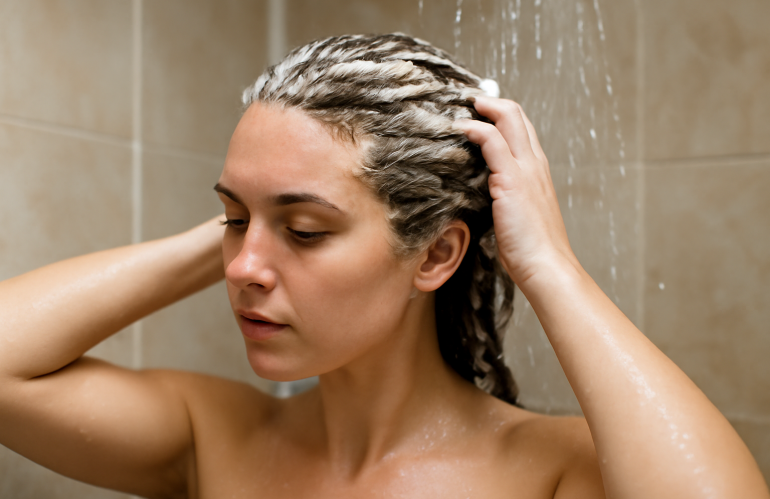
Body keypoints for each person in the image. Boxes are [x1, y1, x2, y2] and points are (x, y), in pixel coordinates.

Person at [0, 33, 766, 499]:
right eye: (231, 219)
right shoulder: (216, 437)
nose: (244, 266)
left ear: (435, 253)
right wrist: (258, 220)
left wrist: (549, 265)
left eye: (306, 230)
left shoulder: (551, 471)